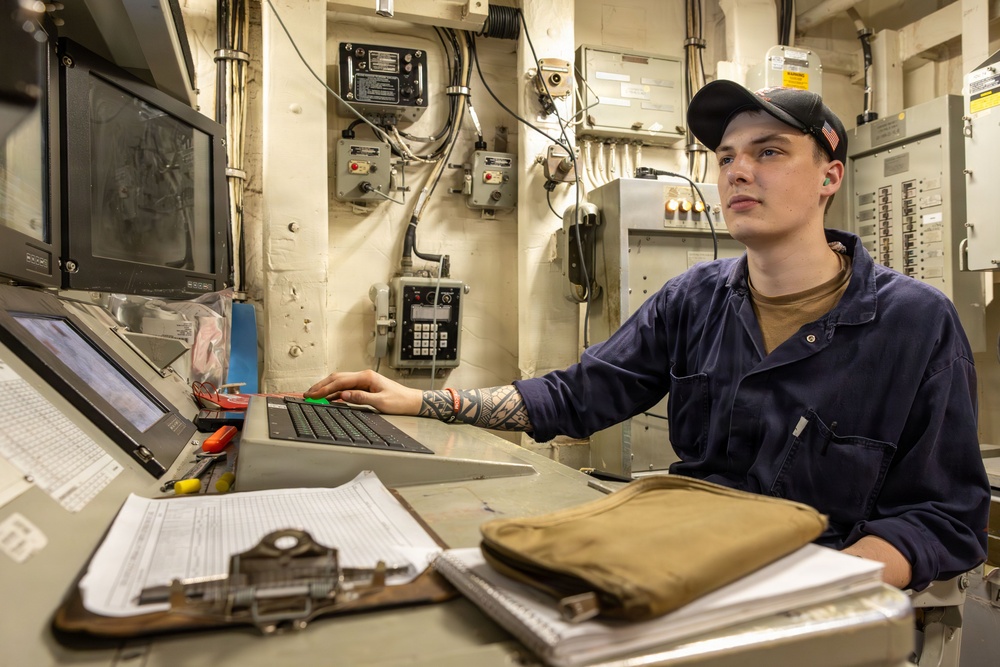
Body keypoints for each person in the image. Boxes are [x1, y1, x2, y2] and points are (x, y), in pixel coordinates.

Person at [307, 80, 990, 591]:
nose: (739, 171)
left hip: (823, 592)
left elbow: (944, 517)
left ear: (830, 177)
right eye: (726, 157)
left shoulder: (915, 323)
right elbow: (577, 395)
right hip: (690, 569)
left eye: (770, 152)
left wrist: (817, 589)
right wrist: (426, 402)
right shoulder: (693, 299)